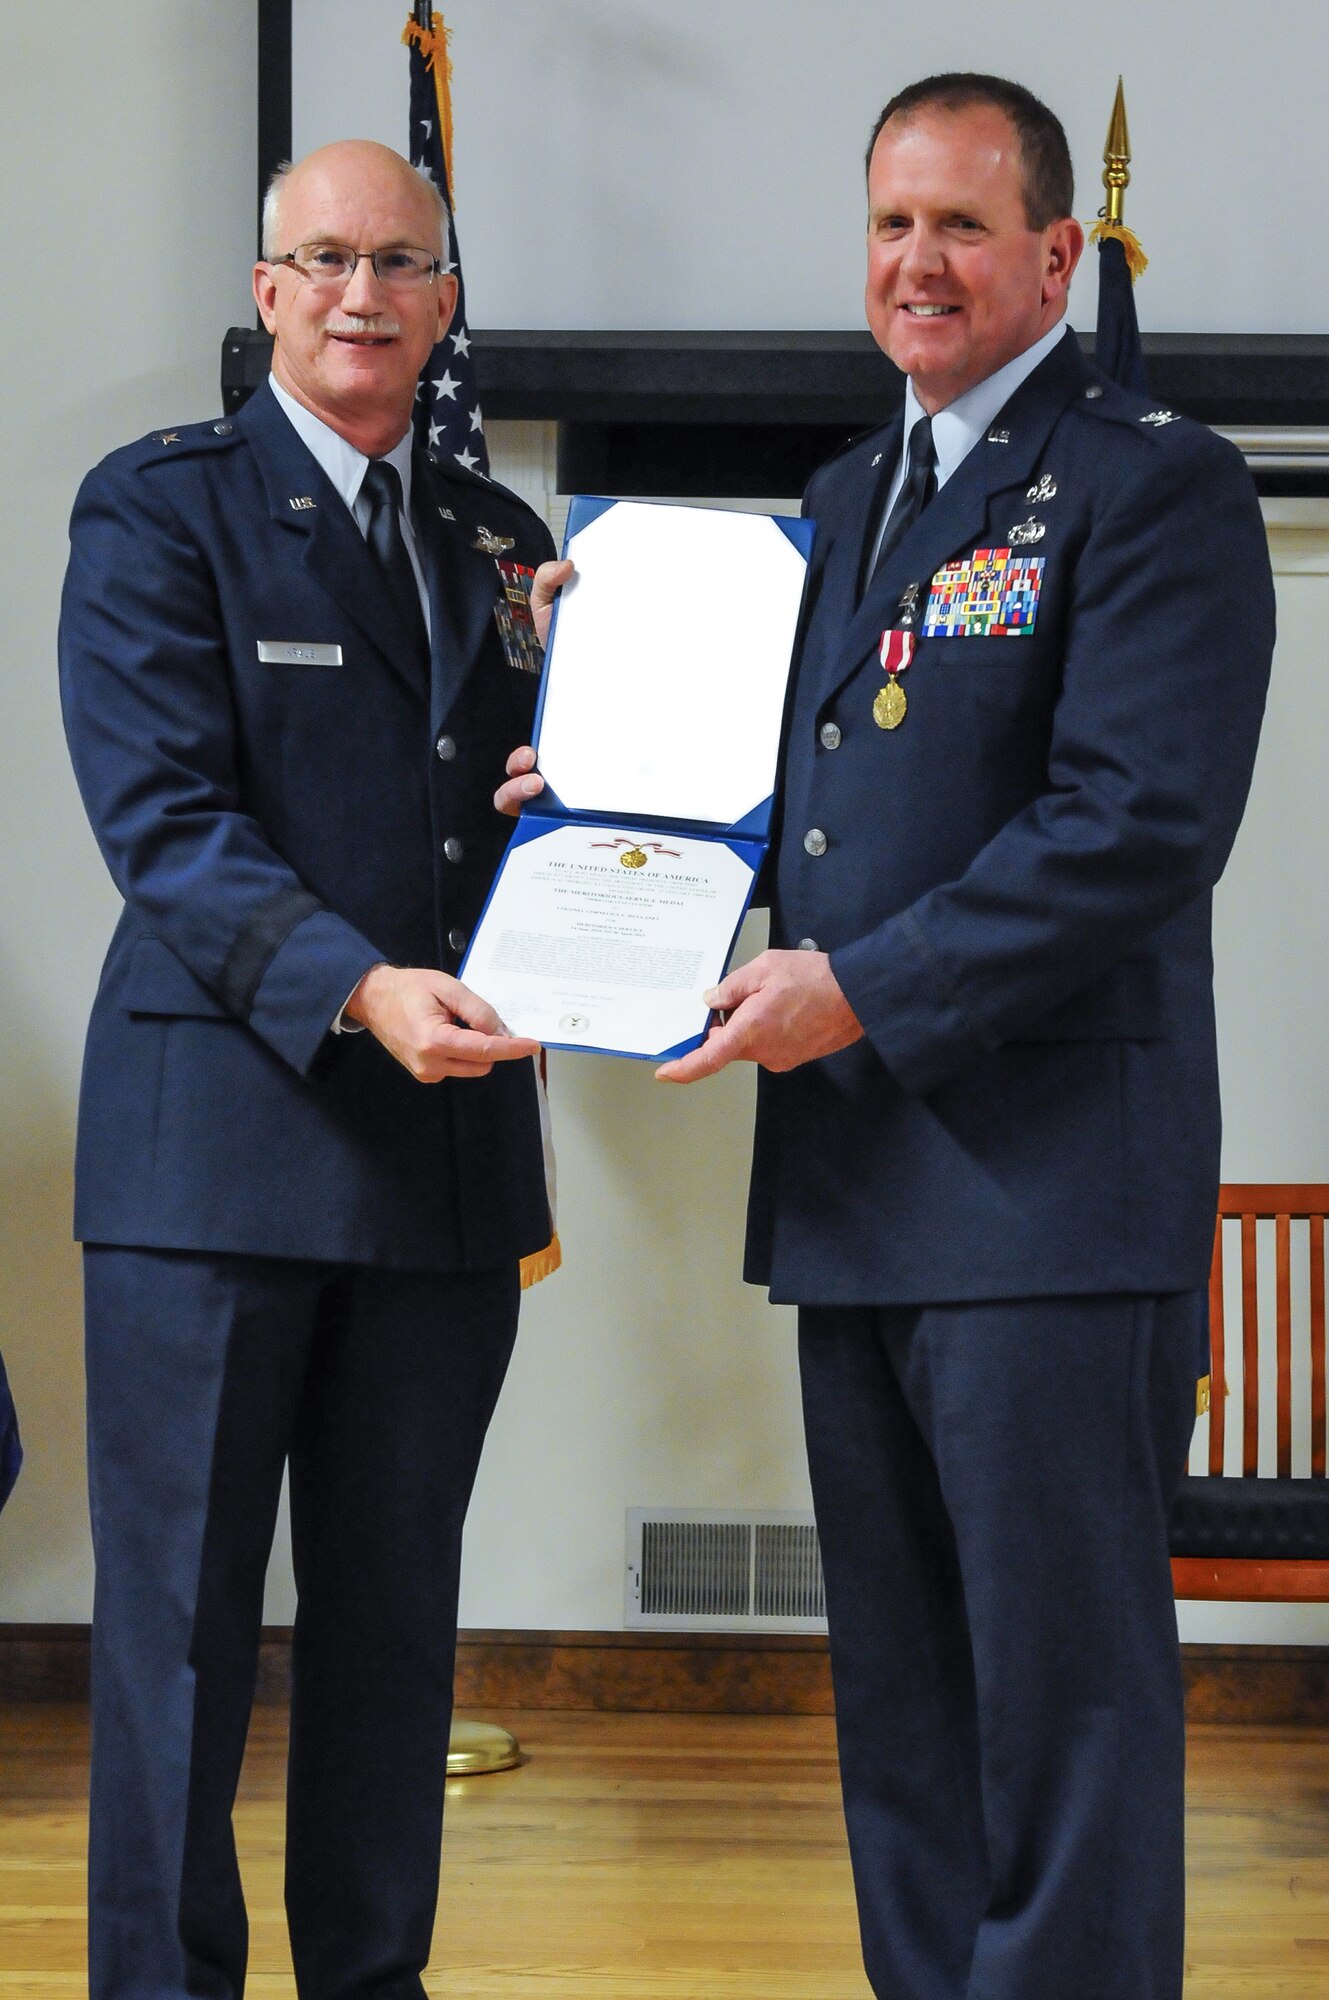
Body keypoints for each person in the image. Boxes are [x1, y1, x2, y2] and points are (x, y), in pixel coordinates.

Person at [511, 72, 1276, 2000]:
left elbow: (1136, 827)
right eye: (884, 225)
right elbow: (793, 804)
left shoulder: (1150, 481)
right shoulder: (848, 502)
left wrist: (855, 990)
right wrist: (592, 767)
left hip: (1045, 1202)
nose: (911, 265)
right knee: (910, 1698)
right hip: (857, 1183)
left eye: (955, 224)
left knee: (1059, 1703)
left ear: (1052, 253)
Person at [59, 139, 564, 2000]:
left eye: (402, 265)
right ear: (265, 289)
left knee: (390, 1635)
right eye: (325, 260)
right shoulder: (155, 512)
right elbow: (166, 826)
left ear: (446, 301)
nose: (364, 296)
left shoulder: (503, 544)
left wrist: (583, 807)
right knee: (179, 1642)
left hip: (440, 1173)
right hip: (217, 1161)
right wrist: (360, 989)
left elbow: (559, 830)